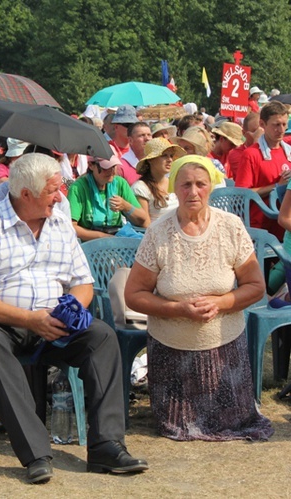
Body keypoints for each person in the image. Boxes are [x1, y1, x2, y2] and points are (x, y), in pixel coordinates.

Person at [0, 153, 148, 484]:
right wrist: (31, 319)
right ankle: (35, 452)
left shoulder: (60, 223)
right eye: (52, 190)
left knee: (102, 337)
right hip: (3, 322)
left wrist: (71, 309)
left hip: (55, 320)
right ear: (27, 195)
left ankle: (106, 446)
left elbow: (83, 282)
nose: (60, 196)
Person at [124, 155, 273, 442]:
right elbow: (134, 294)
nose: (193, 192)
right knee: (176, 426)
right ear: (174, 189)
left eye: (201, 184)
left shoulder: (231, 226)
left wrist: (220, 303)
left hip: (225, 348)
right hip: (172, 351)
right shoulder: (158, 231)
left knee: (234, 422)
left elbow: (255, 286)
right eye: (185, 185)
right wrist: (178, 308)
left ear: (211, 187)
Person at [235, 101, 290, 240]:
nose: (281, 129)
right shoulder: (251, 154)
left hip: (285, 228)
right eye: (276, 124)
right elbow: (241, 195)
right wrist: (278, 186)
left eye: (284, 124)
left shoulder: (288, 151)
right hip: (261, 229)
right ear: (262, 124)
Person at [67, 155, 148, 240]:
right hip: (90, 244)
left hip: (117, 238)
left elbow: (142, 219)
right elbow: (72, 227)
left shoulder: (120, 183)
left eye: (113, 167)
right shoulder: (78, 188)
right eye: (106, 168)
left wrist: (126, 206)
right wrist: (102, 237)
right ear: (91, 165)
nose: (111, 172)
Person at [131, 138, 186, 224]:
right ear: (150, 160)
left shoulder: (174, 182)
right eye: (164, 155)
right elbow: (146, 224)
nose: (170, 160)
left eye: (171, 156)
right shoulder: (140, 187)